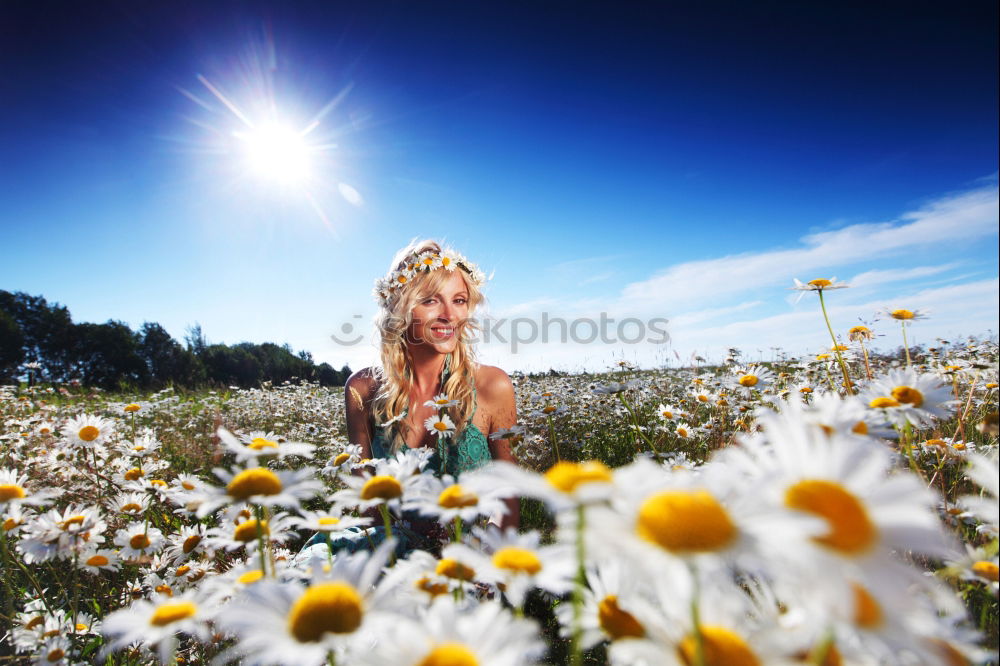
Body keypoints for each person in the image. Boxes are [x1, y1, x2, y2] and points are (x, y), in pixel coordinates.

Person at [302, 239, 519, 560]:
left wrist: (485, 560)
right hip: (388, 547)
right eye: (430, 300)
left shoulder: (492, 384)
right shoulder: (362, 389)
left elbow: (508, 495)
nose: (449, 315)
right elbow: (368, 504)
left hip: (472, 555)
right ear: (400, 308)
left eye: (459, 300)